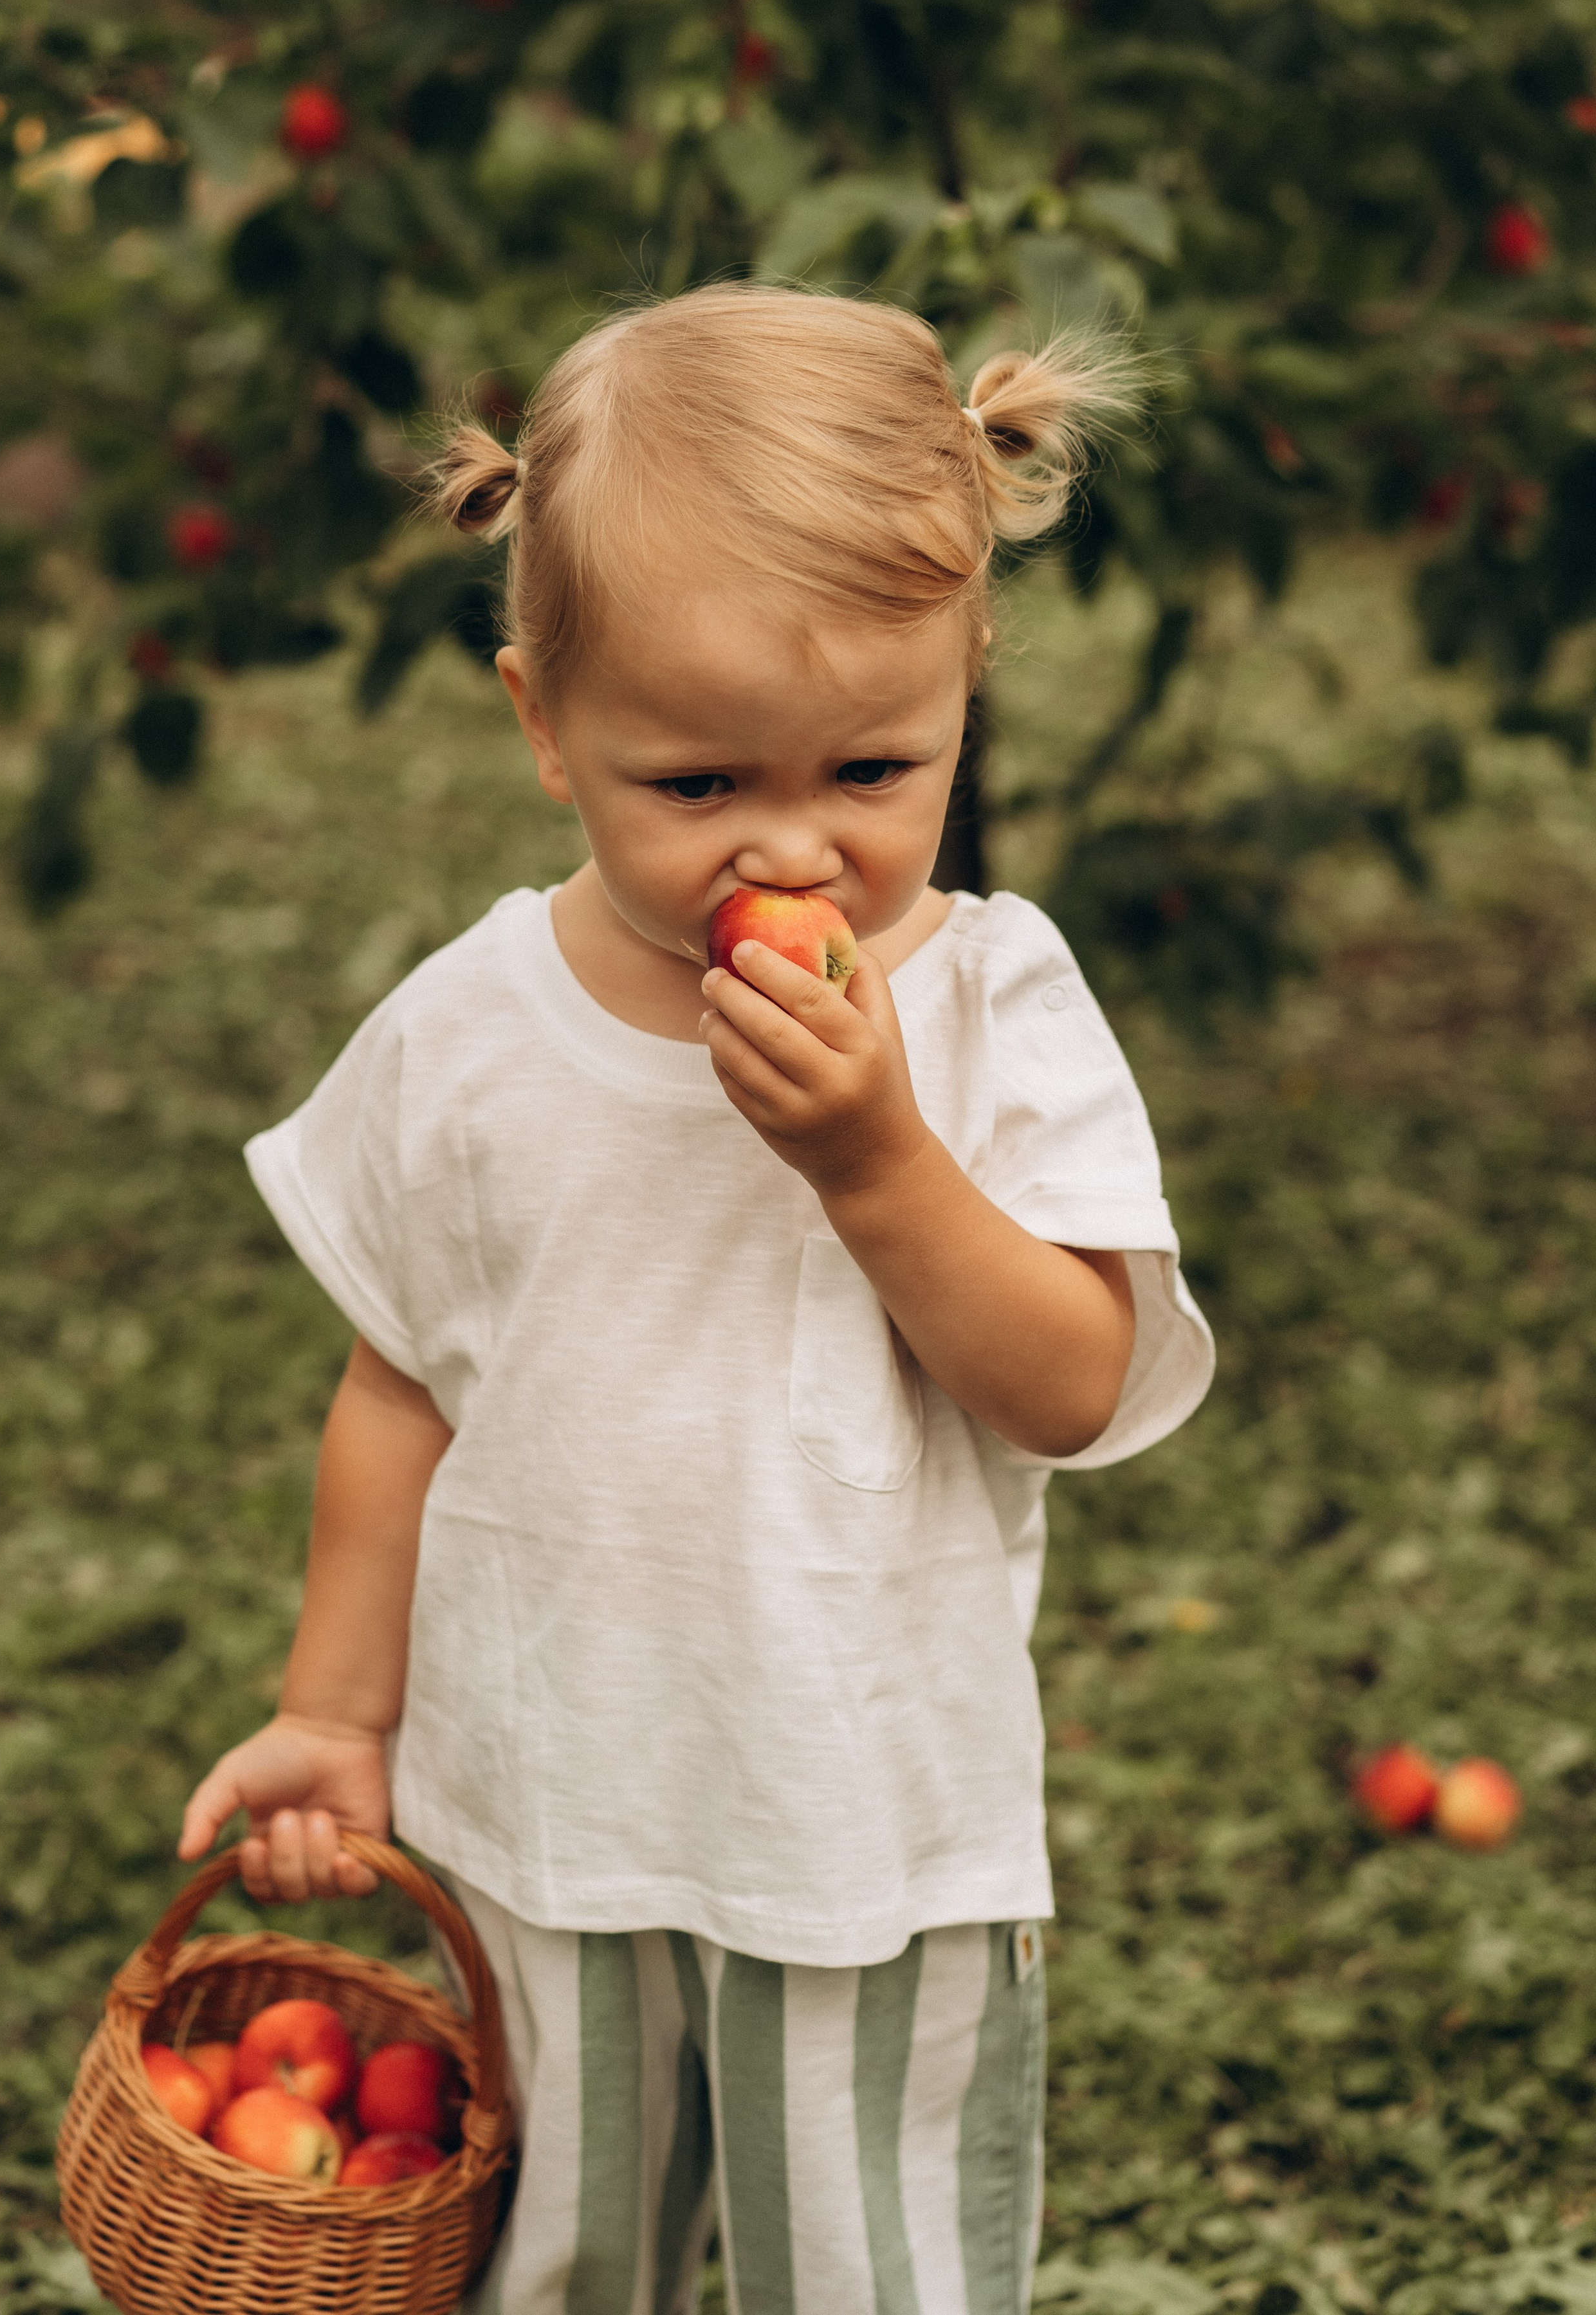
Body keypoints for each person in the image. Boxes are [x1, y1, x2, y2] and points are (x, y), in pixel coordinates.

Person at [179, 284, 1214, 2315]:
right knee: (560, 2265)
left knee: (876, 2272)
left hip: (868, 1826)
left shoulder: (989, 1008)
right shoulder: (472, 1031)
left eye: (874, 766)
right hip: (549, 1813)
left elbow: (1075, 1384)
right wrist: (334, 1710)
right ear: (545, 725)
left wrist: (880, 1162)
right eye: (698, 783)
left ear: (965, 691)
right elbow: (399, 1386)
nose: (794, 849)